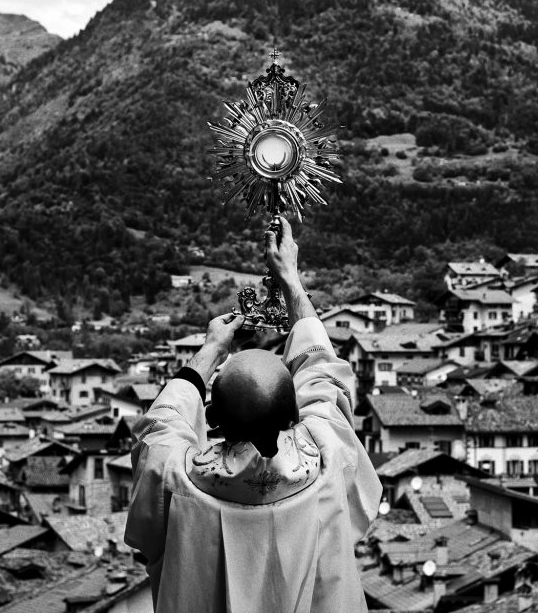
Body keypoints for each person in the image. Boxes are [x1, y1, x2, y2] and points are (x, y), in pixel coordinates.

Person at [125, 216, 382, 612]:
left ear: (212, 419)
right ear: (294, 416)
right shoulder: (329, 456)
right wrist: (290, 278)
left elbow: (163, 421)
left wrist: (212, 349)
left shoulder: (173, 478)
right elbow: (321, 371)